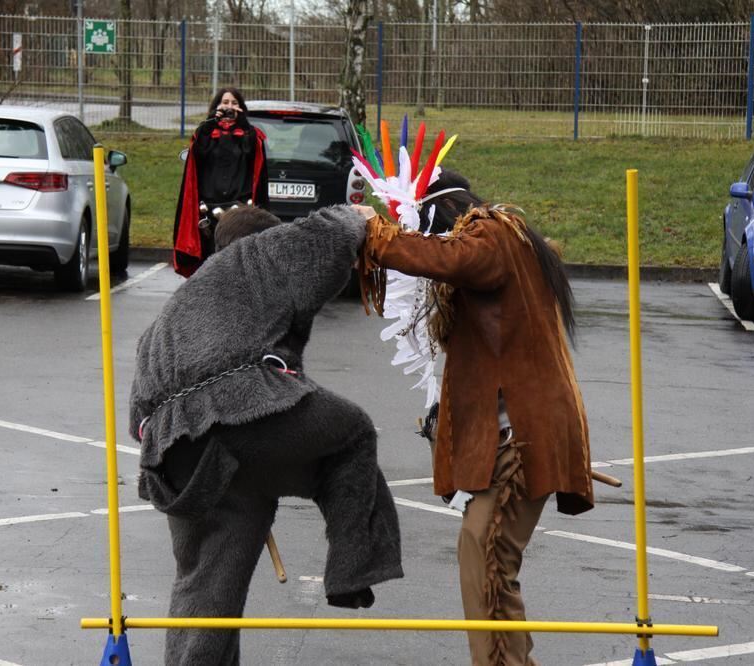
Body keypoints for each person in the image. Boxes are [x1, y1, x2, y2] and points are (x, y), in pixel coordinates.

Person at [130, 204, 403, 666]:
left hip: (178, 458)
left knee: (206, 583)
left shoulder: (165, 319)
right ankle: (352, 571)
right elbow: (326, 231)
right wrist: (356, 212)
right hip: (242, 411)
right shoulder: (256, 253)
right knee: (352, 433)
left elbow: (137, 420)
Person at [360, 171, 594, 666]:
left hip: (521, 441)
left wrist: (375, 232)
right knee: (489, 558)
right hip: (519, 436)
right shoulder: (511, 240)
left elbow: (449, 257)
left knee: (484, 556)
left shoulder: (488, 232)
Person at [172, 87, 269, 278]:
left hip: (240, 212)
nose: (229, 107)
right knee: (210, 266)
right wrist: (210, 124)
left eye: (234, 103)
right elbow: (198, 154)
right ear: (217, 106)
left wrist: (242, 123)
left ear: (241, 108)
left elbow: (252, 154)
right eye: (225, 103)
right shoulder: (206, 133)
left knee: (237, 265)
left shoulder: (250, 135)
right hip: (208, 213)